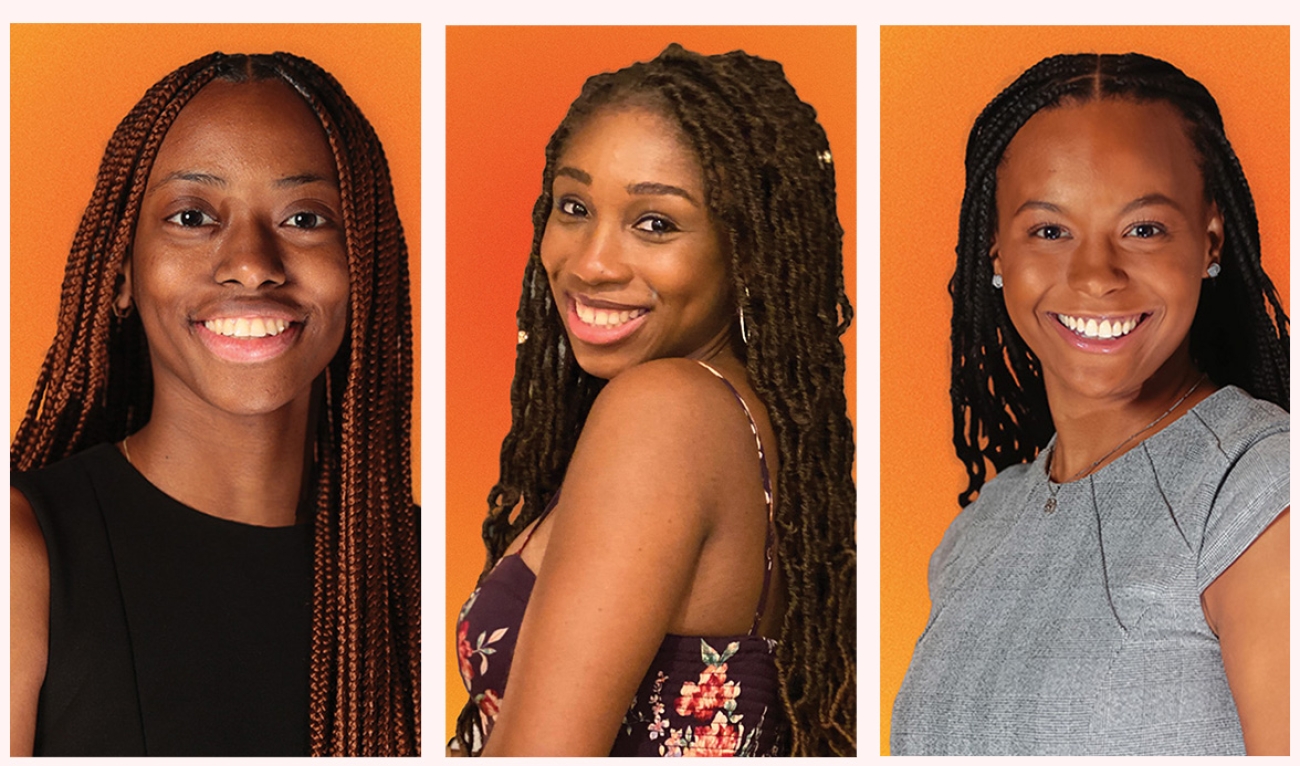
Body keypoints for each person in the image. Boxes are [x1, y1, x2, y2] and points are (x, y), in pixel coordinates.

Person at [451, 44, 856, 757]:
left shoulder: (663, 411)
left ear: (748, 249)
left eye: (655, 223)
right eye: (574, 207)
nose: (591, 262)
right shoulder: (742, 419)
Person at [9, 52, 420, 756]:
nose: (253, 262)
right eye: (193, 215)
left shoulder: (418, 568)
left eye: (304, 216)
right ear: (121, 273)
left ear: (363, 268)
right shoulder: (25, 554)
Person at [891, 53, 1289, 755]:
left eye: (1144, 229)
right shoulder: (979, 533)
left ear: (1210, 240)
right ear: (996, 252)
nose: (1095, 276)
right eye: (1049, 230)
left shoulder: (1261, 490)